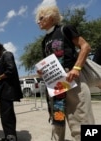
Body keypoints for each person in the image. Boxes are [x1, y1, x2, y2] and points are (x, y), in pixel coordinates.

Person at [36, 5, 95, 141]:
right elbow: (48, 62)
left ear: (51, 17)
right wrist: (42, 71)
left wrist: (76, 68)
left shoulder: (65, 29)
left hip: (73, 78)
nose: (38, 22)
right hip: (56, 83)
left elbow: (85, 46)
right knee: (57, 121)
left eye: (41, 18)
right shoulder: (44, 41)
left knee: (83, 119)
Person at [0, 41, 23, 141]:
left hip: (8, 91)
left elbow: (10, 70)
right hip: (4, 91)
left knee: (7, 115)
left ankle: (11, 137)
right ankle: (9, 136)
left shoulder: (7, 55)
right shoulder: (3, 57)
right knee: (6, 114)